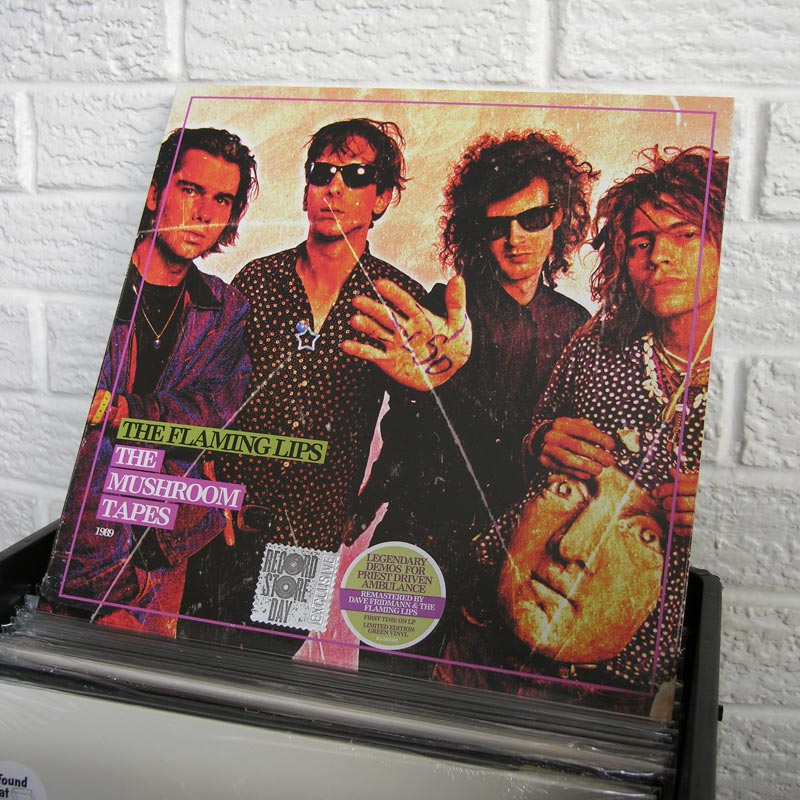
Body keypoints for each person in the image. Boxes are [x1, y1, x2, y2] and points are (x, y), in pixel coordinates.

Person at [436, 146, 728, 709]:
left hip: (614, 677)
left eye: (685, 234)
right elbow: (536, 436)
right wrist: (540, 441)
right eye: (640, 242)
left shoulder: (761, 384)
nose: (659, 256)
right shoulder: (599, 339)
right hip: (490, 626)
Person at [179, 118, 468, 649]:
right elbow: (210, 392)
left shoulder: (396, 299)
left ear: (381, 199)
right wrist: (207, 480)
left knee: (269, 666)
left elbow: (416, 427)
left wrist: (366, 501)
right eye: (321, 172)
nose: (334, 187)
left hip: (308, 540)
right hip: (223, 523)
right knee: (192, 656)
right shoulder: (257, 281)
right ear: (306, 190)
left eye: (356, 176)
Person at [348, 131, 598, 664]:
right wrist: (426, 386)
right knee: (381, 693)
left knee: (479, 702)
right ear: (476, 231)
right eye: (496, 225)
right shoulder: (442, 310)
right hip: (420, 536)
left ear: (559, 217)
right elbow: (406, 431)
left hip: (515, 555)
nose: (515, 239)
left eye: (532, 219)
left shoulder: (577, 327)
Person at [42, 127, 259, 637]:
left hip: (162, 552)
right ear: (154, 192)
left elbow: (217, 412)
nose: (203, 213)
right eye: (190, 189)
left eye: (221, 199)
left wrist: (130, 413)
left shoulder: (224, 309)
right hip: (81, 557)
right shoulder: (87, 287)